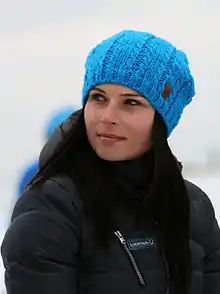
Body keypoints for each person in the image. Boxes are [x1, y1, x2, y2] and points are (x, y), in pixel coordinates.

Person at [1, 30, 220, 294]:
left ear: (161, 119)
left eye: (131, 102)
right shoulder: (52, 204)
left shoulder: (193, 208)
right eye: (99, 98)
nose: (108, 116)